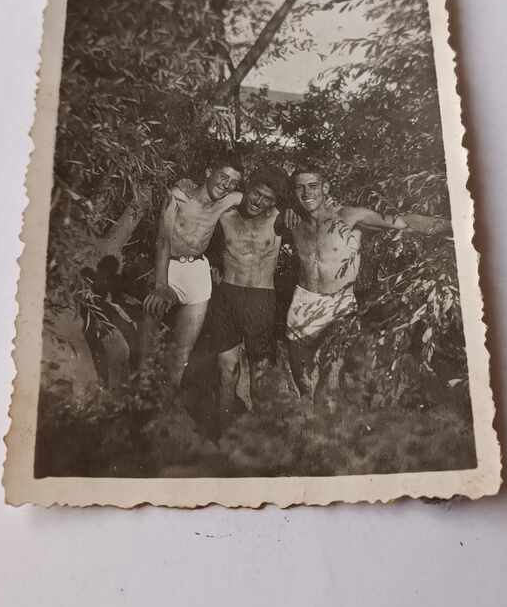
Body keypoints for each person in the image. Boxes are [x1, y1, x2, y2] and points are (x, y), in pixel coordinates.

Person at [285, 164, 452, 398]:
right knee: (304, 386)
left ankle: (332, 431)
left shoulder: (349, 217)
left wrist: (456, 224)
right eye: (299, 188)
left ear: (325, 188)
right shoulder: (293, 222)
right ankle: (310, 430)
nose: (306, 193)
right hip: (302, 304)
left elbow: (402, 221)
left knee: (330, 386)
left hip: (339, 306)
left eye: (313, 186)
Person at [143, 154, 244, 387]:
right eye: (223, 177)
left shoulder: (228, 200)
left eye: (233, 182)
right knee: (147, 348)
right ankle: (138, 406)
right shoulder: (179, 196)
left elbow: (263, 197)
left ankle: (166, 410)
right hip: (168, 267)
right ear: (209, 171)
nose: (227, 185)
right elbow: (163, 240)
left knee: (181, 355)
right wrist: (160, 284)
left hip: (198, 272)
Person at [209, 167, 289, 428]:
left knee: (260, 370)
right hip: (227, 298)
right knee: (226, 368)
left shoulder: (280, 219)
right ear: (247, 189)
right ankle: (224, 430)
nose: (260, 202)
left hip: (260, 299)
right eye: (256, 193)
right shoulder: (226, 215)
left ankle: (263, 431)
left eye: (268, 198)